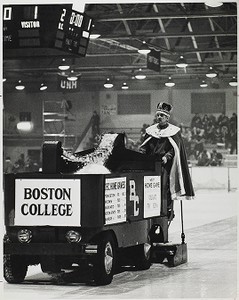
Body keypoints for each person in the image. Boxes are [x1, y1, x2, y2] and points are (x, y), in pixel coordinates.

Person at [140, 102, 194, 220]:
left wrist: (166, 157)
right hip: (151, 163)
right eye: (158, 115)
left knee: (165, 185)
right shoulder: (150, 130)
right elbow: (144, 146)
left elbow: (175, 149)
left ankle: (166, 208)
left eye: (162, 115)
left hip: (166, 164)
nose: (159, 117)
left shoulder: (174, 131)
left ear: (167, 118)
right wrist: (142, 153)